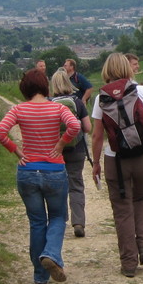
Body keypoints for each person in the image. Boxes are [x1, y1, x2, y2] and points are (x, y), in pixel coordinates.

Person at [0, 68, 80, 284]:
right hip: (54, 171)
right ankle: (50, 255)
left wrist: (17, 151)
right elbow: (75, 125)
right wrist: (60, 144)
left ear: (25, 88)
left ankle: (40, 276)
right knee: (58, 217)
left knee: (37, 222)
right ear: (44, 86)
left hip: (28, 171)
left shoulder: (19, 110)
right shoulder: (58, 107)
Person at [91, 53, 143, 278]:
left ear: (106, 70)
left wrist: (96, 163)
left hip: (115, 159)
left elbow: (97, 136)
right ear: (128, 68)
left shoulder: (100, 98)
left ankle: (128, 263)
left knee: (122, 209)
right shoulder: (142, 91)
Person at [50, 68, 93, 237]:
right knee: (76, 185)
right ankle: (78, 222)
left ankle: (59, 222)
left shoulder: (49, 102)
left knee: (58, 187)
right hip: (77, 149)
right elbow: (88, 128)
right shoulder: (77, 102)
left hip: (56, 151)